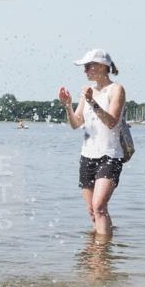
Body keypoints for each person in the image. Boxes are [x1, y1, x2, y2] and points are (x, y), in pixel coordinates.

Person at [58, 49, 126, 237]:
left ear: (103, 67)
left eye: (88, 66)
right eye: (84, 67)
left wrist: (92, 101)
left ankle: (102, 254)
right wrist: (67, 105)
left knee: (100, 206)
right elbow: (76, 123)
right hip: (87, 155)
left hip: (110, 155)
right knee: (92, 211)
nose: (85, 70)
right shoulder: (86, 93)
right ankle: (99, 253)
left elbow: (112, 122)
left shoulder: (116, 89)